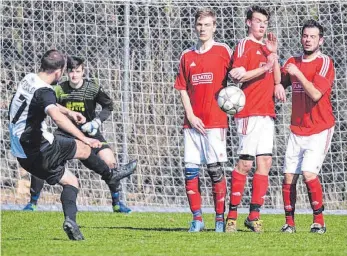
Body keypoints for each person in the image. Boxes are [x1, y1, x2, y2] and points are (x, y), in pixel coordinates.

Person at [9, 50, 137, 240]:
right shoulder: (45, 91)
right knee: (83, 148)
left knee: (72, 182)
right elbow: (55, 116)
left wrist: (68, 112)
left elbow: (47, 103)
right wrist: (84, 138)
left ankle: (71, 222)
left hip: (22, 155)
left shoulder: (29, 79)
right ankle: (111, 175)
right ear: (60, 71)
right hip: (40, 148)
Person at [174, 8, 238, 233]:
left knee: (214, 170)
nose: (203, 29)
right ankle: (197, 218)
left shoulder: (223, 51)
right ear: (195, 26)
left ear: (214, 27)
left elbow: (236, 74)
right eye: (200, 25)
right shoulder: (186, 56)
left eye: (207, 25)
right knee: (190, 170)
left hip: (216, 122)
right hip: (192, 123)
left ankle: (219, 219)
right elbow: (182, 88)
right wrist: (190, 116)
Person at [275, 20, 335, 234]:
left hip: (320, 128)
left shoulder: (325, 62)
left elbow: (316, 94)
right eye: (305, 35)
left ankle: (319, 222)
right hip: (296, 129)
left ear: (321, 40)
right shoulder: (292, 61)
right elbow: (279, 80)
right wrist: (276, 72)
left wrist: (297, 74)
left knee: (309, 173)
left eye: (312, 36)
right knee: (289, 176)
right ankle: (289, 224)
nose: (308, 39)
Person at [225, 6, 281, 233]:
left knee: (265, 163)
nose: (261, 25)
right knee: (245, 163)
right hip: (248, 112)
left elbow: (275, 75)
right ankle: (231, 217)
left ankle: (254, 216)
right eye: (257, 21)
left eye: (264, 22)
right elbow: (238, 75)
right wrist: (265, 67)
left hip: (267, 112)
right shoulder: (243, 45)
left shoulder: (267, 48)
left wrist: (273, 57)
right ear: (248, 22)